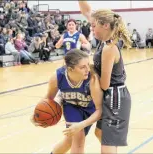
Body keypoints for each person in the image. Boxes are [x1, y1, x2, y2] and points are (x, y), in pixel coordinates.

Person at [79, 1, 132, 153]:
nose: (91, 28)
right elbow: (87, 11)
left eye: (94, 26)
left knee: (107, 143)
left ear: (105, 26)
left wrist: (88, 68)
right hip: (110, 95)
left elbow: (104, 84)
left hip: (115, 97)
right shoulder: (106, 39)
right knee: (100, 133)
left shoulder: (109, 48)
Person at [32, 49, 103, 153]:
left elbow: (99, 110)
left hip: (91, 109)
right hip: (72, 107)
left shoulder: (92, 79)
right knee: (78, 139)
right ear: (71, 69)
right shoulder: (57, 77)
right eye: (82, 67)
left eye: (88, 64)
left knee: (69, 141)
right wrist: (37, 115)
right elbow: (48, 99)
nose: (88, 69)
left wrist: (81, 125)